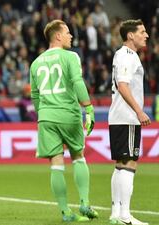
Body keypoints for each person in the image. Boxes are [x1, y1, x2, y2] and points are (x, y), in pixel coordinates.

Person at [29, 19, 98, 222]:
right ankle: (85, 203)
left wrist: (43, 115)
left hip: (46, 116)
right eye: (67, 32)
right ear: (58, 35)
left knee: (56, 164)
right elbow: (77, 82)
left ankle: (66, 212)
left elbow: (35, 96)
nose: (71, 36)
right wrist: (89, 108)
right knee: (78, 156)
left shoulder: (35, 63)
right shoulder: (71, 56)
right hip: (68, 113)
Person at [108, 19, 151, 225]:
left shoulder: (122, 55)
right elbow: (123, 85)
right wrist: (139, 111)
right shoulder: (128, 56)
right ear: (130, 35)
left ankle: (116, 213)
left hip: (118, 117)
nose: (146, 35)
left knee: (120, 165)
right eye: (142, 32)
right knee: (129, 163)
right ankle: (125, 216)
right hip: (126, 117)